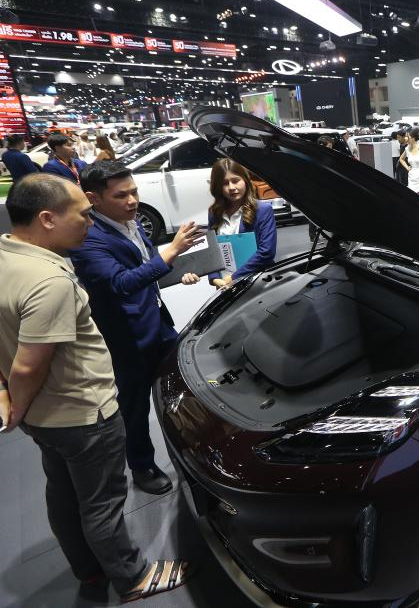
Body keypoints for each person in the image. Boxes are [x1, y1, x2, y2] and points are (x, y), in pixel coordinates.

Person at [0, 173, 190, 601]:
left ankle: (88, 570)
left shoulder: (8, 256)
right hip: (83, 412)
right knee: (102, 503)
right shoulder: (48, 281)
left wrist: (13, 400)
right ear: (47, 218)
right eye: (82, 214)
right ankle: (134, 577)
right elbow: (30, 365)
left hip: (45, 417)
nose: (90, 221)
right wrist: (17, 405)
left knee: (64, 494)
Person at [70, 161, 204, 494]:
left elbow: (142, 261)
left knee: (182, 387)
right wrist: (172, 252)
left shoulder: (128, 222)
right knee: (134, 406)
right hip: (126, 336)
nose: (132, 201)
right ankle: (142, 466)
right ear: (93, 198)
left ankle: (193, 450)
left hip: (157, 321)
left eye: (134, 192)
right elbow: (121, 283)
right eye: (121, 195)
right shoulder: (87, 239)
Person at [200, 159, 277, 289]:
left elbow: (266, 252)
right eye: (225, 183)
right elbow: (211, 249)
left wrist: (233, 277)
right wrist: (214, 278)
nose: (231, 187)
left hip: (257, 283)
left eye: (235, 181)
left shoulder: (262, 210)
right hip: (224, 284)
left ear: (245, 180)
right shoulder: (214, 212)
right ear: (217, 187)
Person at [399, 128, 419, 193]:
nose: (406, 138)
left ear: (414, 138)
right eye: (405, 137)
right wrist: (407, 167)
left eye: (408, 137)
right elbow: (401, 159)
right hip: (411, 177)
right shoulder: (407, 149)